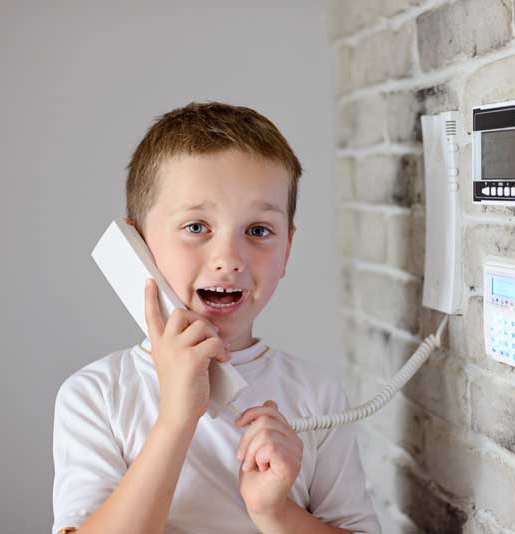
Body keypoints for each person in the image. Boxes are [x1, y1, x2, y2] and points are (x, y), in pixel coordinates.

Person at [51, 101, 381, 534]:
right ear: (138, 245)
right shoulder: (96, 396)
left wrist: (275, 512)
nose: (229, 258)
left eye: (258, 231)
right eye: (196, 227)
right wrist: (176, 418)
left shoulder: (315, 396)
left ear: (288, 249)